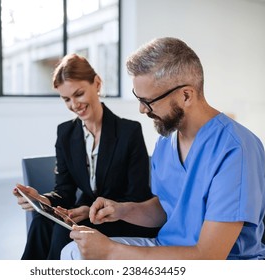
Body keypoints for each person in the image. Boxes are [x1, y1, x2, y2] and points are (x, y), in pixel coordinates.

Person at [61, 37, 265, 260]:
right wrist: (121, 210)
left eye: (148, 101)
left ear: (186, 95)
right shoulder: (166, 139)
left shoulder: (235, 149)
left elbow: (209, 256)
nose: (142, 109)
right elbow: (165, 207)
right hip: (168, 248)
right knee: (75, 253)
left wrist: (112, 251)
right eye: (138, 98)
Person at [13, 53, 159, 260]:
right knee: (40, 222)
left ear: (97, 83)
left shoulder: (129, 131)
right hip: (84, 214)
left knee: (64, 231)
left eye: (79, 94)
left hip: (122, 217)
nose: (74, 105)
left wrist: (89, 209)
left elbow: (138, 194)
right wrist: (42, 199)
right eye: (66, 99)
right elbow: (64, 191)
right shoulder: (65, 133)